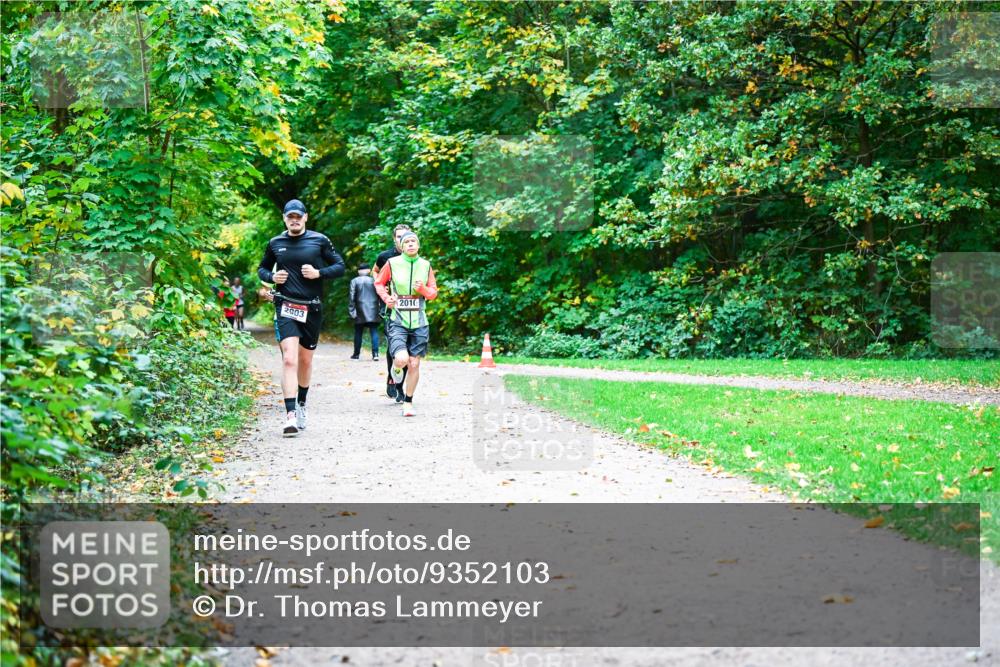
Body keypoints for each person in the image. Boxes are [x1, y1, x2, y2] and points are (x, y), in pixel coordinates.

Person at [257, 199, 345, 436]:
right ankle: (290, 416)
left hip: (311, 308)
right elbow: (262, 269)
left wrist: (319, 273)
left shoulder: (319, 240)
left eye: (298, 216)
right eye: (290, 217)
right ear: (284, 219)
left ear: (305, 217)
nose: (294, 220)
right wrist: (272, 277)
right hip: (285, 306)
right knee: (289, 359)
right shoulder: (275, 243)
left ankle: (302, 403)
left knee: (305, 361)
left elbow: (340, 266)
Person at [374, 231, 438, 417]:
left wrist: (422, 289)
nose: (410, 244)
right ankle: (395, 368)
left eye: (413, 241)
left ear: (418, 245)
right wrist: (387, 298)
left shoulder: (425, 265)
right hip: (398, 320)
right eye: (406, 242)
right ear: (401, 246)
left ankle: (408, 402)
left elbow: (433, 293)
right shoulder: (392, 263)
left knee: (414, 364)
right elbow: (379, 283)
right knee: (402, 359)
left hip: (420, 322)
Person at [372, 224, 410, 399]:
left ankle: (400, 382)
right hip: (389, 306)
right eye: (399, 236)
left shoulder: (414, 256)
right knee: (394, 344)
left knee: (407, 346)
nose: (402, 239)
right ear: (394, 239)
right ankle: (394, 381)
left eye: (405, 235)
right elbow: (375, 271)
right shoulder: (385, 256)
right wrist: (382, 288)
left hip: (409, 307)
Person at [348, 263, 381, 361]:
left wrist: (352, 312)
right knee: (374, 331)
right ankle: (375, 354)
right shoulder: (374, 281)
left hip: (359, 311)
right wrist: (380, 309)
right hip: (373, 310)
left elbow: (351, 298)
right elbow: (380, 295)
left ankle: (356, 355)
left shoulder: (354, 281)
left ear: (358, 271)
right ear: (369, 271)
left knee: (358, 332)